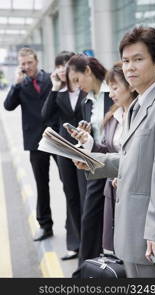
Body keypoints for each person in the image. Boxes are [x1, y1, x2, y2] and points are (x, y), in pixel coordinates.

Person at [73, 26, 155, 277]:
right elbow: (134, 160)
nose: (130, 67)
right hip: (132, 233)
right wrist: (93, 161)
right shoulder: (138, 105)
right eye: (126, 60)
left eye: (138, 59)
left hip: (151, 239)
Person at [70, 61, 137, 252]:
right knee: (114, 244)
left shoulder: (139, 115)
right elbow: (108, 149)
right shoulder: (113, 116)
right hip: (112, 186)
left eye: (115, 88)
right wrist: (88, 142)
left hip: (130, 189)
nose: (112, 93)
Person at [4, 47, 60, 241]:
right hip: (35, 143)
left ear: (36, 61)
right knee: (41, 185)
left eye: (29, 62)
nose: (27, 67)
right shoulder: (21, 84)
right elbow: (8, 106)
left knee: (68, 184)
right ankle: (45, 226)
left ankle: (76, 228)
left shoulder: (50, 80)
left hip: (56, 138)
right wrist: (16, 85)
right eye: (23, 64)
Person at [66, 54, 113, 266]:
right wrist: (85, 135)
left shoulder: (113, 91)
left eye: (77, 80)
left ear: (87, 71)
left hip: (115, 161)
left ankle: (92, 268)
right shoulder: (88, 101)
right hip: (96, 162)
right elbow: (95, 135)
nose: (77, 86)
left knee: (100, 219)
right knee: (90, 217)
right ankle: (86, 268)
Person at [41, 51, 87, 260]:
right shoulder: (58, 91)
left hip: (85, 150)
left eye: (65, 65)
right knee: (71, 196)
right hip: (64, 151)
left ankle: (89, 244)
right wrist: (54, 88)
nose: (61, 69)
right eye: (58, 66)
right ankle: (75, 243)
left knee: (85, 196)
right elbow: (45, 115)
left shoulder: (85, 88)